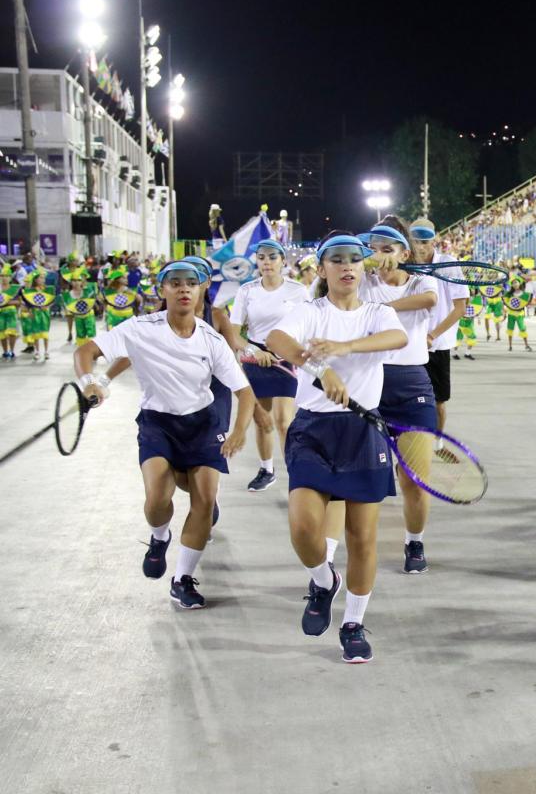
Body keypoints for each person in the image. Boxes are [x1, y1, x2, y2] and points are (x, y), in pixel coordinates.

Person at [74, 261, 255, 609]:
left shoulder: (212, 339)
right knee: (158, 498)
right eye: (175, 283)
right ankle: (159, 537)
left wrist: (238, 431)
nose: (184, 288)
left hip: (203, 425)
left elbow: (243, 391)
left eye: (191, 283)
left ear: (202, 289)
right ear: (162, 290)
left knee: (204, 500)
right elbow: (86, 352)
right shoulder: (141, 328)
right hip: (158, 423)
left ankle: (182, 579)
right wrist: (92, 382)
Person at [266, 233, 408, 663]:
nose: (347, 267)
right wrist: (319, 368)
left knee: (363, 539)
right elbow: (277, 340)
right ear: (322, 269)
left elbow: (396, 340)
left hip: (363, 430)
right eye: (337, 260)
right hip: (313, 430)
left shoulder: (378, 313)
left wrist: (344, 348)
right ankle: (324, 580)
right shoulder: (308, 312)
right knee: (303, 529)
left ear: (363, 267)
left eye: (354, 260)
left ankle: (353, 623)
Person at [355, 221, 441, 575]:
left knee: (415, 480)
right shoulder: (362, 280)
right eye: (373, 248)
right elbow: (330, 274)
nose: (380, 254)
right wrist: (367, 264)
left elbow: (430, 300)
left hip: (411, 387)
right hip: (367, 384)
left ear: (406, 254)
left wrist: (385, 307)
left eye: (388, 248)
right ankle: (355, 543)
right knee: (365, 479)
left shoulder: (423, 281)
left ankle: (414, 539)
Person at [226, 239, 310, 493]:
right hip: (256, 359)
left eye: (272, 257)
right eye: (261, 257)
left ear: (283, 261)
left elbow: (309, 326)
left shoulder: (298, 291)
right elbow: (233, 334)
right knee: (263, 420)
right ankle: (266, 469)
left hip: (286, 360)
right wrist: (254, 351)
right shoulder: (247, 291)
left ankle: (296, 474)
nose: (266, 262)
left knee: (284, 420)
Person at [411, 218, 468, 432]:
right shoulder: (408, 265)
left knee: (438, 401)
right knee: (411, 400)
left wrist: (432, 336)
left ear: (434, 241)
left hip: (437, 345)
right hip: (410, 344)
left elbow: (460, 309)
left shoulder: (449, 265)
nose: (420, 246)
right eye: (415, 241)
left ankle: (437, 444)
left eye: (424, 242)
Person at [19, 269, 54, 361]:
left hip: (45, 313)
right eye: (41, 278)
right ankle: (37, 351)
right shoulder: (30, 291)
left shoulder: (48, 289)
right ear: (35, 280)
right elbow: (27, 302)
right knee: (36, 333)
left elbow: (52, 300)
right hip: (35, 312)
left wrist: (47, 306)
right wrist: (29, 311)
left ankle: (46, 351)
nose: (43, 280)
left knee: (45, 333)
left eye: (43, 278)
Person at [62, 275, 99, 347]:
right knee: (80, 335)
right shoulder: (68, 295)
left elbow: (93, 300)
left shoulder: (87, 291)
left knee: (91, 334)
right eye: (74, 280)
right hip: (78, 317)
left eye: (78, 280)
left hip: (89, 315)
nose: (76, 283)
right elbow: (68, 307)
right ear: (71, 282)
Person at [504, 276, 534, 352]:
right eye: (513, 283)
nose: (515, 284)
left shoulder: (524, 294)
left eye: (516, 282)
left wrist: (529, 304)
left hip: (520, 314)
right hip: (511, 314)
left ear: (519, 283)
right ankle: (510, 346)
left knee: (522, 329)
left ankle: (526, 345)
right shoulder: (509, 294)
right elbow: (505, 302)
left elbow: (527, 302)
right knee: (510, 329)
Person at [0, 264, 19, 360]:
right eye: (2, 276)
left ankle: (12, 350)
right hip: (0, 313)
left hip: (11, 312)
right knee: (2, 334)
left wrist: (9, 302)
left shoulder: (15, 288)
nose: (4, 278)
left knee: (12, 332)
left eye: (6, 276)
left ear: (10, 277)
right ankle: (5, 351)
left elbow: (20, 301)